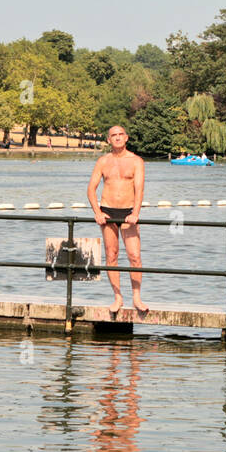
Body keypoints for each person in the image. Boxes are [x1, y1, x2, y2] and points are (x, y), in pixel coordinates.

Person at [86, 125, 147, 313]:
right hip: (108, 211)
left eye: (121, 135)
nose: (118, 138)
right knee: (111, 255)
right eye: (114, 135)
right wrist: (97, 211)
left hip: (129, 212)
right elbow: (91, 189)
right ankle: (118, 297)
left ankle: (136, 297)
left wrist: (135, 212)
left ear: (127, 138)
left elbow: (139, 190)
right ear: (108, 140)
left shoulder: (136, 161)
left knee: (134, 256)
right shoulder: (103, 161)